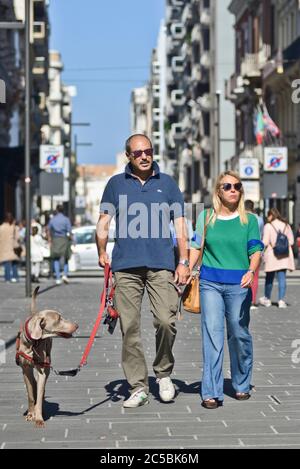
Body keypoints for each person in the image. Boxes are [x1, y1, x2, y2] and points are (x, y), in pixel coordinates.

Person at [96, 134, 190, 408]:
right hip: (126, 266)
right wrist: (102, 250)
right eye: (138, 153)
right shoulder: (115, 184)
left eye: (148, 151)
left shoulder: (168, 183)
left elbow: (181, 225)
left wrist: (183, 261)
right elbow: (104, 221)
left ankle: (163, 374)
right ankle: (137, 386)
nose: (144, 156)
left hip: (162, 264)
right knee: (130, 327)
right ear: (128, 156)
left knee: (165, 320)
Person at [189, 171, 263, 409]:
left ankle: (241, 383)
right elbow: (195, 246)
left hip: (239, 285)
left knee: (238, 334)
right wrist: (187, 268)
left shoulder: (249, 220)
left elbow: (256, 250)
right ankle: (211, 391)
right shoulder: (206, 217)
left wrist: (251, 271)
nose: (233, 190)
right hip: (210, 282)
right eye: (227, 186)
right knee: (212, 334)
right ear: (218, 192)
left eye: (237, 186)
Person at [259, 208, 295, 309]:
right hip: (284, 255)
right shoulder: (286, 225)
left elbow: (265, 242)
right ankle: (281, 301)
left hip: (272, 255)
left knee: (269, 278)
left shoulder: (268, 226)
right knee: (282, 278)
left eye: (268, 215)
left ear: (271, 215)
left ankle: (267, 299)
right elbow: (291, 241)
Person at [244, 200, 264, 310]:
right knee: (254, 276)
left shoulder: (242, 217)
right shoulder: (259, 219)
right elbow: (261, 235)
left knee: (242, 273)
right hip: (256, 250)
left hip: (243, 250)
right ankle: (252, 301)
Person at [47, 205, 72, 285]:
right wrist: (72, 240)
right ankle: (65, 274)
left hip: (55, 239)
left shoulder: (53, 219)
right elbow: (69, 231)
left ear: (57, 210)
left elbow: (48, 229)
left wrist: (49, 239)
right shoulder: (66, 219)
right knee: (66, 258)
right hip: (64, 239)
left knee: (55, 258)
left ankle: (58, 277)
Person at [0, 213, 21, 283]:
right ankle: (15, 277)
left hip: (4, 247)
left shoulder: (1, 227)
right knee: (14, 262)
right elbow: (18, 238)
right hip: (13, 247)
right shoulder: (14, 227)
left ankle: (7, 278)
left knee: (7, 263)